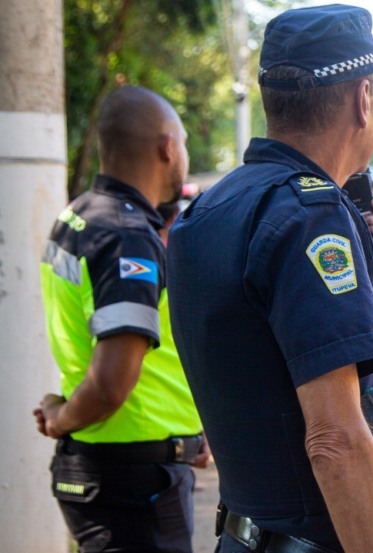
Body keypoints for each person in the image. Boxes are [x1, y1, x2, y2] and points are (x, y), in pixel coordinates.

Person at [166, 5, 373, 553]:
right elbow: (336, 441)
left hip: (244, 534)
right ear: (363, 99)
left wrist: (363, 253)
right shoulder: (309, 216)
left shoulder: (212, 208)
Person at [33, 85, 208, 553]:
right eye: (185, 142)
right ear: (167, 146)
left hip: (111, 475)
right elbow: (113, 383)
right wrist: (60, 421)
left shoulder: (77, 216)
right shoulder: (127, 237)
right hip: (132, 485)